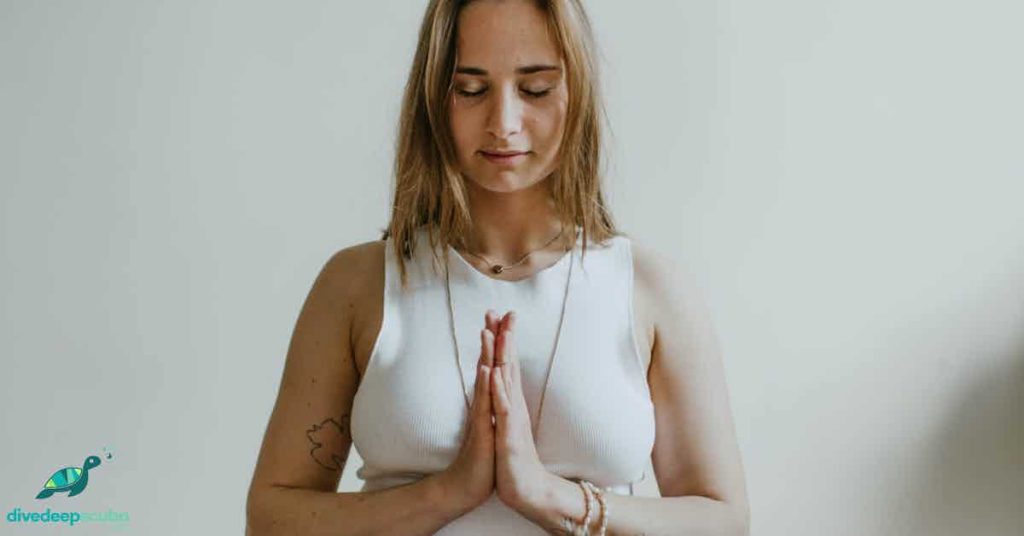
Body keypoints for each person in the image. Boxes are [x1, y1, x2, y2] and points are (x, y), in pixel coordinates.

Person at [246, 0, 749, 534]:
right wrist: (447, 493)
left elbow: (723, 520)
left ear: (576, 91)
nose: (503, 123)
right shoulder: (357, 285)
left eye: (535, 89)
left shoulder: (651, 289)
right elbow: (272, 517)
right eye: (471, 90)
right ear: (434, 99)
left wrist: (550, 496)